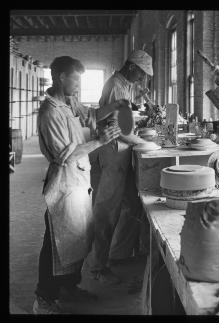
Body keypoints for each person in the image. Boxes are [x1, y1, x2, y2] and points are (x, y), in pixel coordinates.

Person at [33, 56, 128, 314]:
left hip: (78, 179)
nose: (79, 86)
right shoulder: (51, 111)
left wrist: (117, 104)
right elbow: (62, 155)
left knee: (78, 235)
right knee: (56, 241)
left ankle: (68, 286)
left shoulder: (69, 102)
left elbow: (92, 115)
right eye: (76, 80)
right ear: (61, 77)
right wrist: (100, 141)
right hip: (63, 182)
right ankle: (44, 298)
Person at [89, 50, 152, 284]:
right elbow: (120, 130)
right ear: (132, 68)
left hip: (123, 152)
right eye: (142, 74)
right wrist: (145, 143)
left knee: (131, 205)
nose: (142, 80)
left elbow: (124, 112)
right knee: (107, 210)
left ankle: (118, 254)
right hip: (114, 151)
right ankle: (98, 266)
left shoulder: (124, 84)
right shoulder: (117, 84)